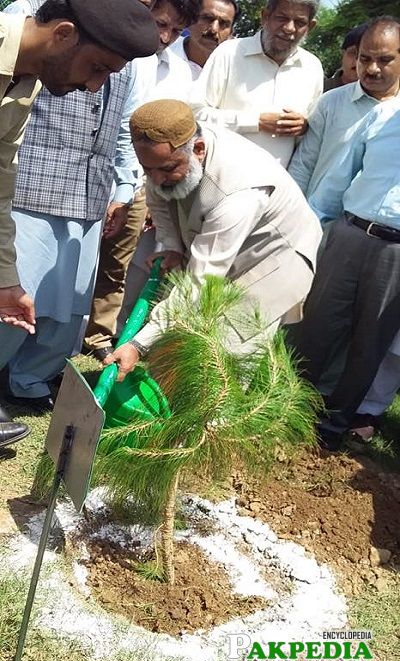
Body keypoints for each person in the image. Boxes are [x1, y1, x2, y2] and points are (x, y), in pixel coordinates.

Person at [0, 0, 158, 446]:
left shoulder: (27, 80)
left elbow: (0, 177)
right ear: (64, 33)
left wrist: (6, 278)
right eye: (96, 68)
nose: (94, 88)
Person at [102, 99, 323, 381]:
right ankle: (167, 408)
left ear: (198, 149)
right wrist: (171, 246)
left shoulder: (238, 191)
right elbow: (158, 202)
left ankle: (217, 421)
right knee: (183, 333)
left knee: (229, 349)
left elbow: (201, 280)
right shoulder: (165, 160)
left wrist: (138, 344)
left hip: (276, 259)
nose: (157, 179)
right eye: (148, 170)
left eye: (167, 169)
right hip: (222, 245)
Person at [83, 0, 201, 361]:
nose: (163, 36)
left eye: (174, 30)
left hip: (149, 182)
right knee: (87, 261)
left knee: (121, 265)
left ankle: (103, 335)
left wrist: (153, 187)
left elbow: (184, 137)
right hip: (109, 172)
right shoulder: (122, 57)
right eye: (159, 24)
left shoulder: (182, 71)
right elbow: (119, 127)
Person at [291, 99, 400, 452]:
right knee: (317, 325)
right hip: (351, 232)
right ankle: (288, 407)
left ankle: (332, 426)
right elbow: (342, 174)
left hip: (396, 254)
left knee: (369, 343)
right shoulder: (383, 115)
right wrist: (314, 223)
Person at [189, 0, 323, 167]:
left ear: (311, 26)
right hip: (219, 178)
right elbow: (196, 114)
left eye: (300, 22)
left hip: (277, 186)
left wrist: (303, 127)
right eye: (282, 18)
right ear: (265, 16)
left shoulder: (312, 67)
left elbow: (314, 138)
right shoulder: (229, 53)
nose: (289, 28)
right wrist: (256, 122)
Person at [289, 16, 400, 200]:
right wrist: (293, 215)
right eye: (364, 59)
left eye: (384, 60)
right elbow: (303, 165)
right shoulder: (330, 103)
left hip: (376, 225)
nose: (372, 69)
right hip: (319, 222)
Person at [170, 0, 238, 81]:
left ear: (231, 32)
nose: (214, 29)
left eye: (223, 23)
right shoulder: (163, 55)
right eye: (208, 18)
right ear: (190, 21)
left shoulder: (234, 72)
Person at [323, 23, 367, 92]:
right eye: (353, 53)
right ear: (343, 54)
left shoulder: (383, 95)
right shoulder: (321, 89)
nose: (358, 60)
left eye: (366, 55)